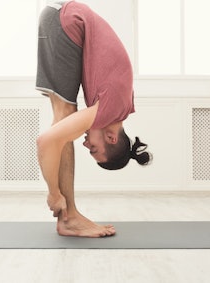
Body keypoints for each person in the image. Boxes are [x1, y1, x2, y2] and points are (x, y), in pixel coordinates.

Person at [35, 1, 152, 238]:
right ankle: (70, 218)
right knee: (63, 121)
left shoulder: (123, 107)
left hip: (63, 20)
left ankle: (70, 218)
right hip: (64, 21)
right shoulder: (109, 110)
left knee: (63, 123)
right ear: (111, 137)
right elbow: (44, 142)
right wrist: (53, 193)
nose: (86, 144)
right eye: (94, 149)